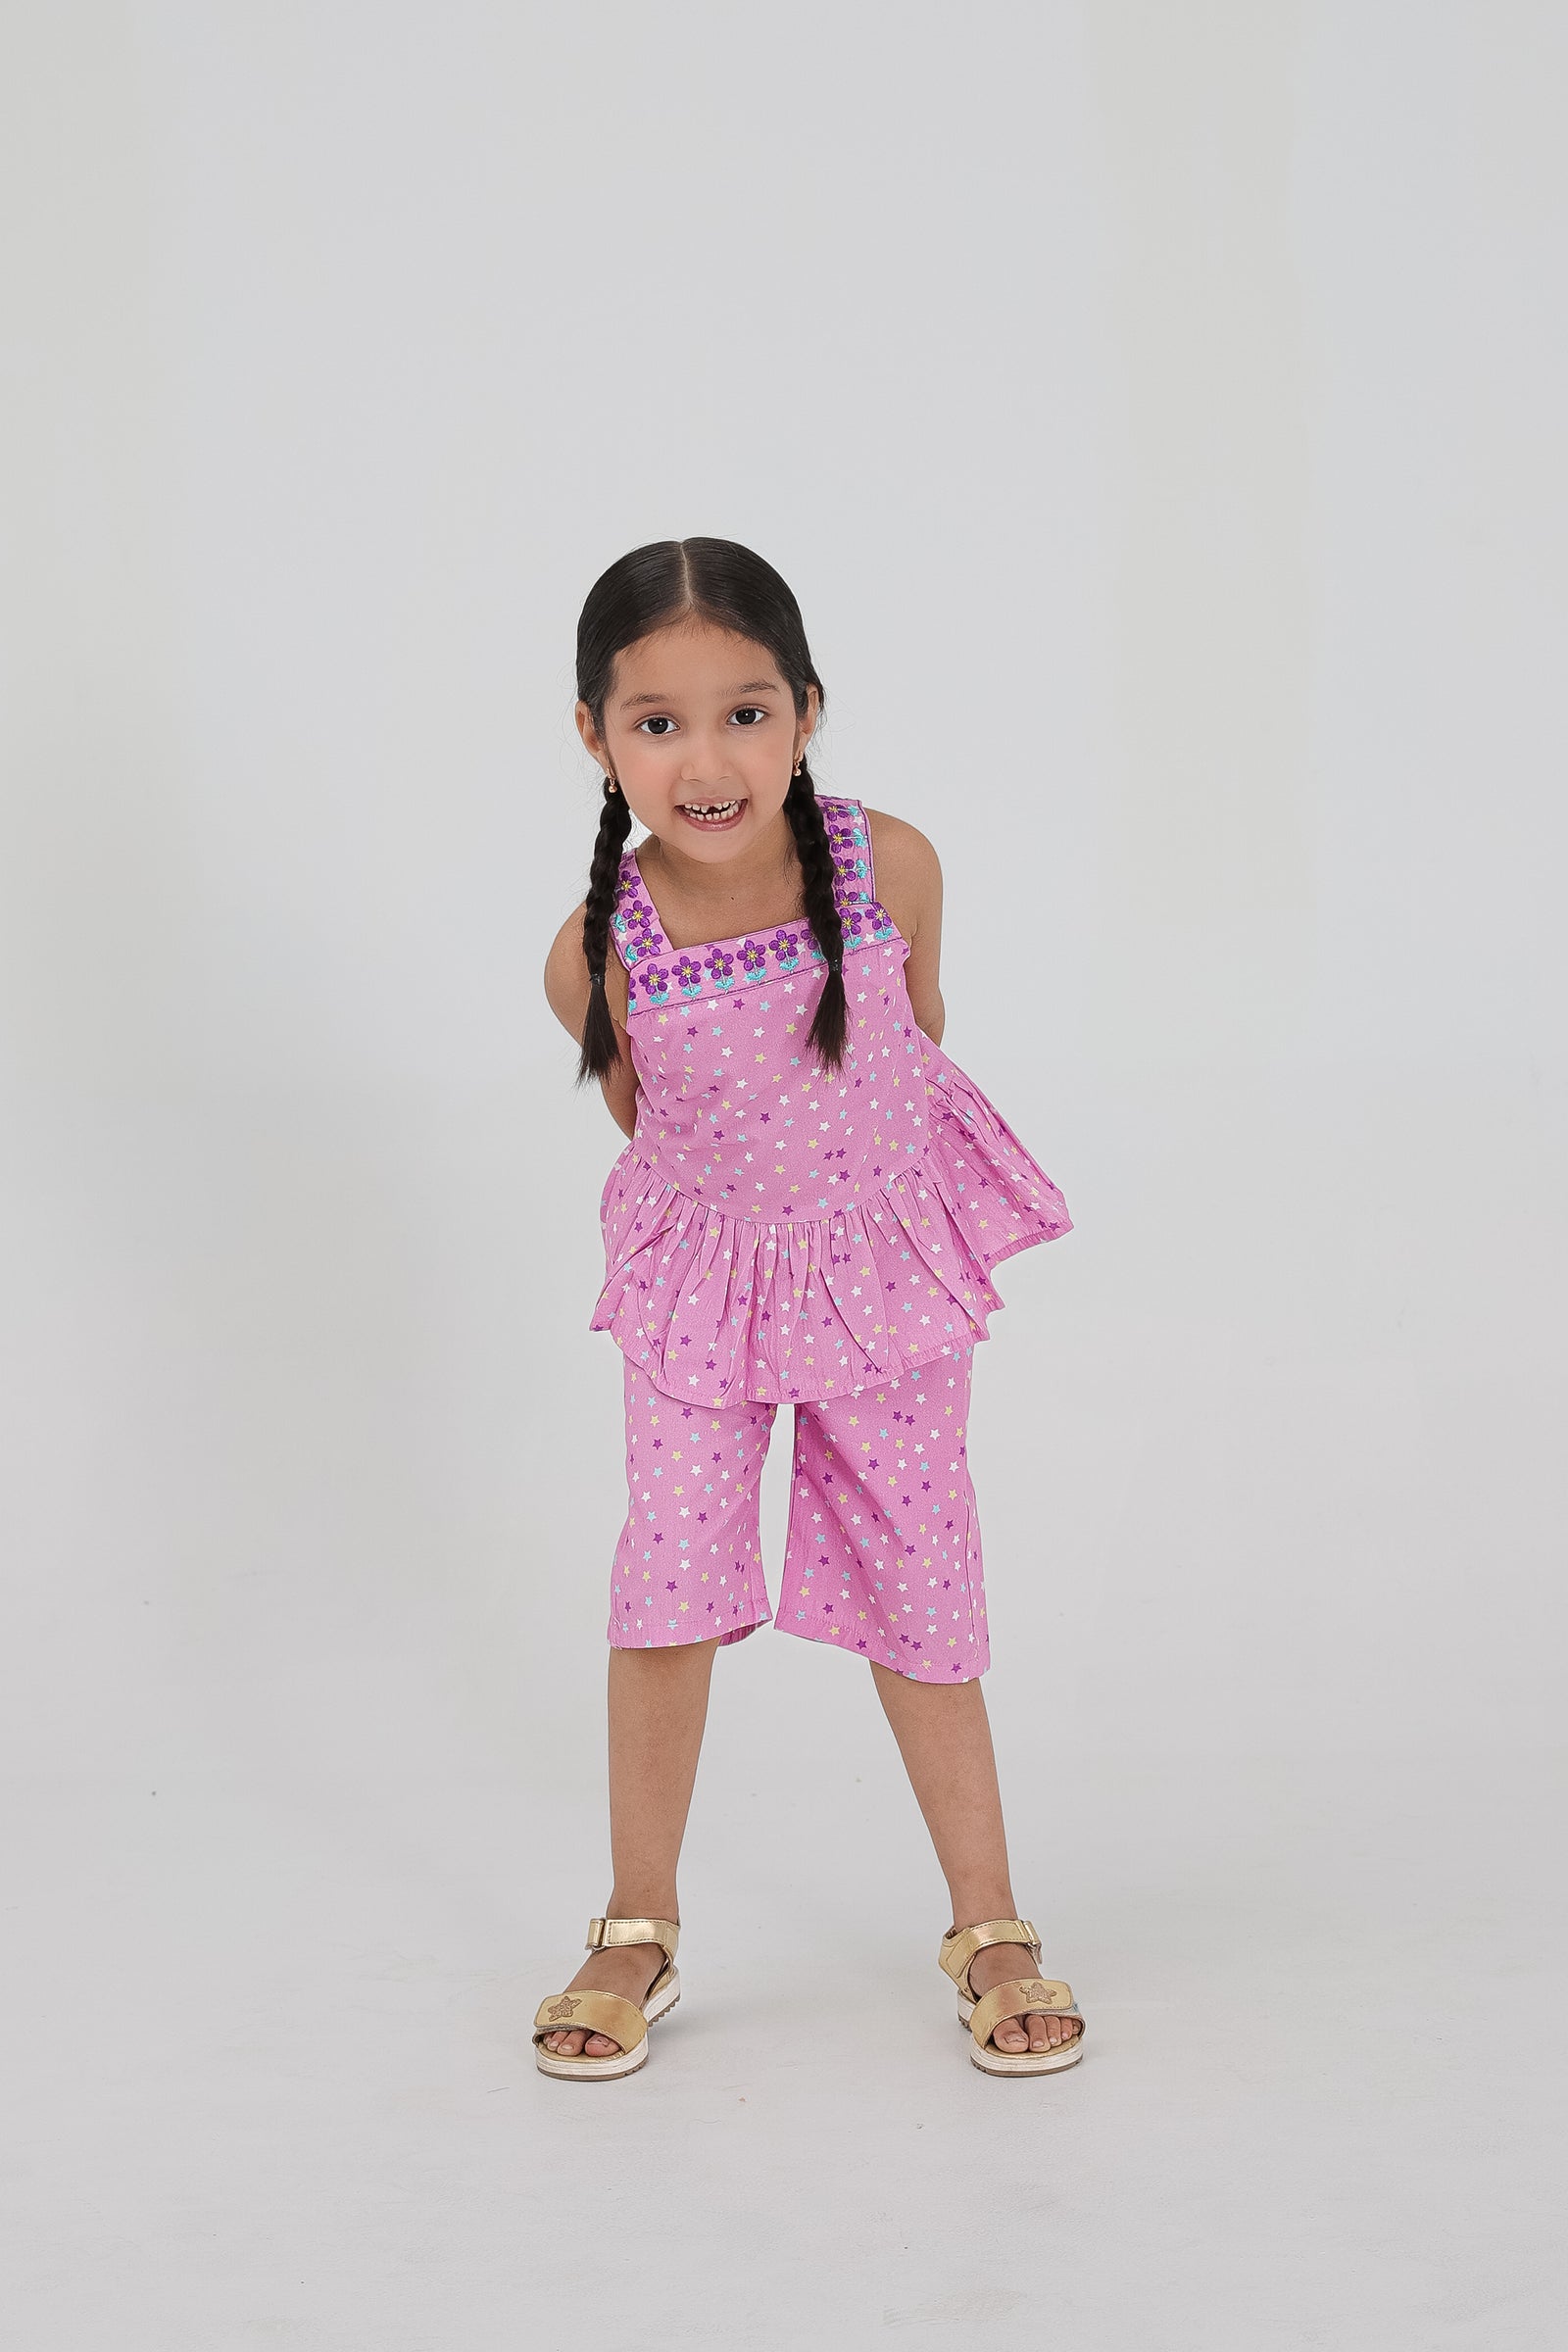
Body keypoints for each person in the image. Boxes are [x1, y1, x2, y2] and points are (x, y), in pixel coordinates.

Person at [536, 537, 1085, 2082]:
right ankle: (637, 1924)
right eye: (657, 723)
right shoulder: (599, 952)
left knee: (922, 1574)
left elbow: (914, 1044)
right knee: (669, 1580)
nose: (706, 762)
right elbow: (655, 1128)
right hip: (705, 1290)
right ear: (595, 735)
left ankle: (988, 1921)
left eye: (745, 713)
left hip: (878, 1282)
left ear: (806, 710)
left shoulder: (887, 865)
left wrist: (846, 1224)